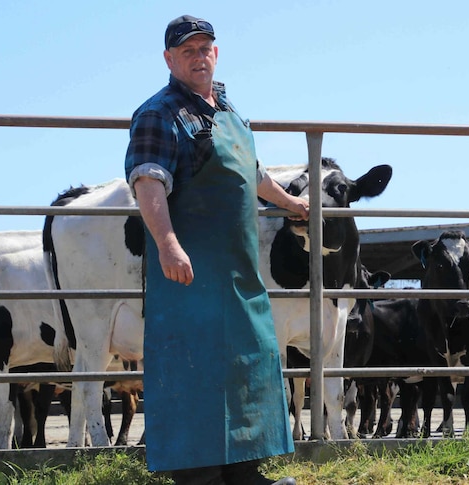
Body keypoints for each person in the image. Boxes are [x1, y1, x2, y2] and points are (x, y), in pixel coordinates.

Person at [124, 14, 306, 485]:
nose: (199, 57)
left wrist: (290, 203)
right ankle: (200, 478)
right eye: (188, 51)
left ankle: (246, 473)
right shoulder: (159, 113)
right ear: (169, 59)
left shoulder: (227, 110)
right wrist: (167, 244)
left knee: (247, 366)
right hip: (190, 274)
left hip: (239, 275)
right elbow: (148, 181)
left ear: (217, 53)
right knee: (193, 372)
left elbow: (252, 171)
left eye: (205, 48)